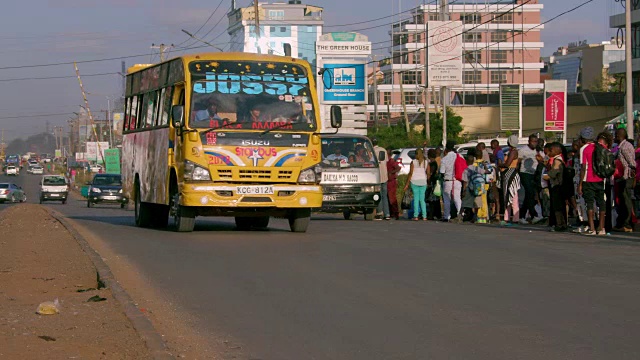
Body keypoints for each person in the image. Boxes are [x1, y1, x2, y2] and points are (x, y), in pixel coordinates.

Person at [577, 127, 606, 236]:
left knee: (589, 203)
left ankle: (592, 228)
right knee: (601, 203)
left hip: (587, 179)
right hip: (600, 179)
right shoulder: (601, 146)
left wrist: (580, 184)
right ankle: (601, 228)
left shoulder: (584, 149)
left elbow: (583, 167)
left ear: (583, 138)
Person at [519, 134, 544, 224]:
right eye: (533, 141)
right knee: (529, 192)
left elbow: (543, 160)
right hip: (524, 173)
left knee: (529, 195)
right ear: (529, 141)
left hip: (534, 174)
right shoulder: (523, 150)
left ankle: (522, 216)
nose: (534, 143)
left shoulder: (538, 151)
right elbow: (518, 162)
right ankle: (534, 215)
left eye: (536, 141)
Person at [613, 128, 635, 232]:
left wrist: (629, 174)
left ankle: (627, 224)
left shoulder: (625, 147)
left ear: (619, 136)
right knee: (622, 200)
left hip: (627, 177)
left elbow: (632, 163)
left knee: (626, 200)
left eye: (616, 135)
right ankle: (622, 223)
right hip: (622, 177)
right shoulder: (621, 146)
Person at [499, 135, 521, 225]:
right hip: (511, 174)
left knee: (511, 197)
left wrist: (500, 164)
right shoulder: (513, 151)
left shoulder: (512, 152)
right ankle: (508, 217)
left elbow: (507, 164)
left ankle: (513, 218)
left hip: (511, 175)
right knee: (509, 197)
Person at [404, 147, 429, 221]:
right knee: (422, 199)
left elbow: (411, 173)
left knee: (416, 199)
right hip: (423, 182)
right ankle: (424, 216)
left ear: (416, 154)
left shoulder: (413, 162)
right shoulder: (425, 162)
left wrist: (407, 184)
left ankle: (416, 215)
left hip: (414, 181)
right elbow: (428, 173)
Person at [547, 142, 568, 231]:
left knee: (557, 207)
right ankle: (563, 224)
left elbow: (552, 173)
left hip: (557, 185)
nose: (548, 153)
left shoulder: (557, 160)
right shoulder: (561, 159)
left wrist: (547, 174)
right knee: (561, 205)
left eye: (550, 151)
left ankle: (559, 224)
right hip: (561, 185)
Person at [440, 141, 462, 222]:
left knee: (447, 199)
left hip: (448, 181)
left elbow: (442, 172)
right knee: (457, 198)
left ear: (446, 148)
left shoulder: (444, 159)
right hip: (457, 180)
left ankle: (447, 216)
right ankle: (460, 214)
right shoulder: (459, 156)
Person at [461, 148, 485, 223]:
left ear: (467, 162)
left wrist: (464, 190)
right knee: (477, 203)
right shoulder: (477, 168)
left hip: (469, 188)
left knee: (467, 203)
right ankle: (475, 215)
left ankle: (467, 215)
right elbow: (486, 172)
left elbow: (465, 181)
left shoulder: (466, 170)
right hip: (478, 187)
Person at [372, 138, 390, 221]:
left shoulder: (371, 151)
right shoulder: (384, 150)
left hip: (377, 176)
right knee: (384, 195)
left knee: (378, 195)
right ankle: (387, 214)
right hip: (384, 175)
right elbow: (386, 161)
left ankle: (379, 213)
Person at [490, 139, 505, 220]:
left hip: (497, 175)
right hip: (497, 174)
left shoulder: (498, 152)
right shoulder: (497, 151)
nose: (491, 146)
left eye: (492, 144)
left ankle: (498, 213)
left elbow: (499, 161)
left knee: (497, 197)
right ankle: (497, 212)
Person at [427, 149, 442, 220]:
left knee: (432, 200)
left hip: (432, 182)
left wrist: (428, 181)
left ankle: (432, 214)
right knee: (435, 199)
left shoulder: (433, 163)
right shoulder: (433, 162)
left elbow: (430, 173)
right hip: (434, 181)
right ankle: (437, 214)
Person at [387, 147, 401, 220]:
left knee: (392, 198)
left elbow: (398, 168)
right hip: (388, 181)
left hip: (391, 181)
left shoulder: (391, 161)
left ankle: (395, 213)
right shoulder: (386, 161)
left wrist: (391, 172)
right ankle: (391, 213)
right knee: (388, 198)